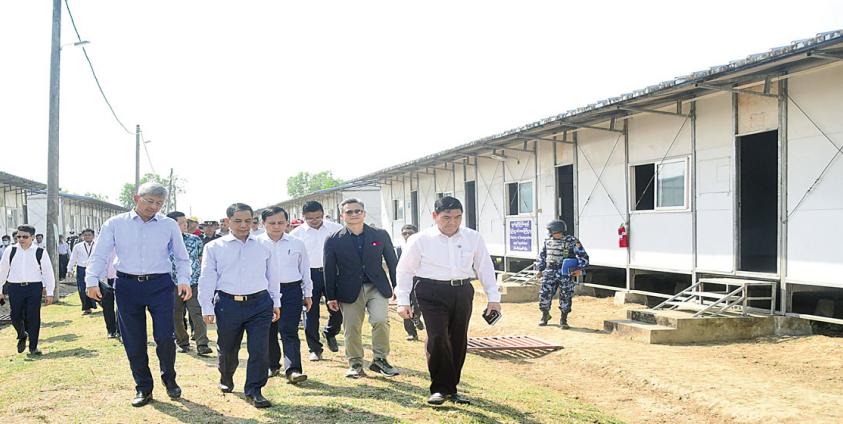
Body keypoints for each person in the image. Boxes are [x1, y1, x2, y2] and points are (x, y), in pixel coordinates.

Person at [84, 182, 192, 407]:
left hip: (160, 285)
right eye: (149, 201)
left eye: (159, 203)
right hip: (127, 286)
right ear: (136, 198)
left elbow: (182, 257)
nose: (153, 207)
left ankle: (169, 379)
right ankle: (143, 387)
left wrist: (184, 280)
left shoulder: (169, 225)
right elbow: (100, 253)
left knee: (165, 336)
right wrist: (91, 280)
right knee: (134, 339)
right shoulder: (115, 224)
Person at [396, 196, 502, 405]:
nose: (452, 222)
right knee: (437, 336)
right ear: (435, 216)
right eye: (446, 217)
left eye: (457, 217)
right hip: (430, 291)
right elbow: (405, 270)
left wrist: (493, 298)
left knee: (458, 339)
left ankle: (451, 388)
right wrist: (403, 301)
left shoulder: (473, 237)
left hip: (462, 291)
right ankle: (439, 388)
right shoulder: (420, 239)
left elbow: (485, 268)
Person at [198, 203, 280, 408]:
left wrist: (275, 302)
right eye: (238, 221)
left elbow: (272, 276)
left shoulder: (264, 245)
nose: (243, 225)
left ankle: (254, 390)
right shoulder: (214, 247)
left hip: (260, 304)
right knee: (227, 348)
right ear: (227, 222)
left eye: (248, 221)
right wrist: (206, 307)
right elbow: (207, 278)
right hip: (228, 304)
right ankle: (226, 376)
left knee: (259, 349)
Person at [324, 198, 399, 378]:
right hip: (349, 289)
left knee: (381, 320)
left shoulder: (380, 235)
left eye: (358, 211)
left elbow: (393, 262)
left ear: (364, 213)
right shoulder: (333, 239)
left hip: (377, 287)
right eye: (349, 212)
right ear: (342, 216)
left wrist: (398, 287)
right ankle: (355, 363)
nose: (354, 214)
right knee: (351, 327)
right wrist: (330, 296)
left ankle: (380, 359)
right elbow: (329, 269)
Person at [258, 207, 313, 384]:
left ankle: (293, 370)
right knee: (268, 330)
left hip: (291, 290)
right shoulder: (256, 243)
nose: (276, 226)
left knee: (289, 330)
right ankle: (272, 364)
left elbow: (305, 269)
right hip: (264, 291)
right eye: (272, 223)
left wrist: (308, 293)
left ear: (287, 223)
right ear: (263, 223)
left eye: (281, 222)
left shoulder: (297, 243)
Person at [290, 200, 344, 361]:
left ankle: (330, 332)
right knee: (311, 313)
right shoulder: (296, 234)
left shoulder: (336, 229)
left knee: (338, 309)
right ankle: (314, 348)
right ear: (303, 216)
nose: (314, 221)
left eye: (318, 217)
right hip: (309, 275)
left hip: (332, 274)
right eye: (310, 218)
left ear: (323, 214)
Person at [0, 225, 55, 356]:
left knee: (33, 317)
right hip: (14, 287)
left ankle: (33, 347)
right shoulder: (10, 250)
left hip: (34, 288)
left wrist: (50, 292)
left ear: (33, 237)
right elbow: (2, 271)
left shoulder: (40, 252)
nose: (21, 239)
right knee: (15, 316)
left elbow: (48, 272)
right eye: (19, 236)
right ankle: (22, 334)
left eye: (25, 237)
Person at [166, 211, 211, 356]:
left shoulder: (195, 240)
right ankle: (182, 342)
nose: (186, 225)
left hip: (193, 282)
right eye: (182, 223)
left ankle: (202, 344)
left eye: (186, 222)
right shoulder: (163, 241)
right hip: (172, 283)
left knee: (196, 312)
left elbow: (201, 260)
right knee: (176, 314)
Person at [536, 219, 589, 329]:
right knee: (544, 295)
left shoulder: (572, 241)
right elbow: (542, 256)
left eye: (550, 230)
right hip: (549, 271)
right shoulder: (547, 241)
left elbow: (583, 257)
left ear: (556, 230)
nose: (549, 232)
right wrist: (540, 269)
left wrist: (578, 268)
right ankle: (545, 315)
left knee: (566, 295)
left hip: (565, 273)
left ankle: (563, 319)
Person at [396, 224, 424, 341]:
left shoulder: (422, 246)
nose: (407, 235)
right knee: (404, 304)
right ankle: (411, 333)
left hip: (419, 280)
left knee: (417, 305)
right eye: (404, 233)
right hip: (404, 280)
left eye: (410, 233)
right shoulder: (399, 249)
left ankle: (416, 317)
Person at [68, 229, 99, 315]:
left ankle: (100, 303)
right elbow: (73, 258)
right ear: (82, 236)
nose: (87, 237)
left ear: (93, 236)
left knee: (96, 286)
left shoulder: (98, 245)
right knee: (82, 288)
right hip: (82, 268)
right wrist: (69, 269)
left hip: (94, 268)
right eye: (85, 235)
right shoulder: (78, 246)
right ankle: (87, 308)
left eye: (89, 235)